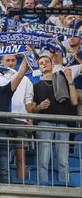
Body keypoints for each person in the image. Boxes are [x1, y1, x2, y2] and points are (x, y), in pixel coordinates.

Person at [32, 55, 78, 184]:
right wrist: (40, 107)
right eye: (41, 63)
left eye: (47, 61)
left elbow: (74, 101)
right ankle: (43, 189)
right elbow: (33, 109)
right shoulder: (36, 86)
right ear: (39, 68)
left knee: (63, 160)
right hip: (44, 123)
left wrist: (70, 80)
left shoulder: (63, 80)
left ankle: (64, 189)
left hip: (63, 123)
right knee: (43, 160)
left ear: (52, 65)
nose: (44, 64)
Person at [0, 55, 34, 179]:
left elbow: (28, 102)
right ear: (1, 61)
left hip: (20, 121)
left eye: (13, 60)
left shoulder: (26, 80)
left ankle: (22, 187)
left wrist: (30, 119)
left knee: (20, 158)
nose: (11, 63)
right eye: (7, 60)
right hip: (1, 120)